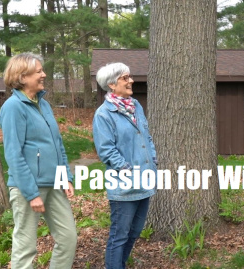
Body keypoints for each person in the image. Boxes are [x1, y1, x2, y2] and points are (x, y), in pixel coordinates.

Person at [0, 53, 77, 269]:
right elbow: (14, 154)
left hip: (54, 186)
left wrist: (66, 178)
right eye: (38, 71)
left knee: (68, 238)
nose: (44, 74)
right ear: (22, 77)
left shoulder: (45, 105)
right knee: (25, 248)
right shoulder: (14, 107)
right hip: (28, 188)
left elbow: (57, 145)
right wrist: (31, 193)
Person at [93, 62, 157, 269]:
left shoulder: (135, 105)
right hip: (124, 185)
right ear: (112, 84)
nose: (131, 81)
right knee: (119, 235)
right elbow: (106, 150)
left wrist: (153, 158)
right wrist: (127, 170)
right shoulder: (103, 114)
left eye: (129, 76)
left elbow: (145, 135)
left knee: (135, 232)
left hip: (145, 181)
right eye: (125, 78)